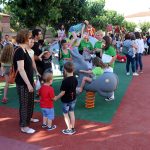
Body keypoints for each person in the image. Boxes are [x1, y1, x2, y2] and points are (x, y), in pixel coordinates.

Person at [13, 29, 35, 134]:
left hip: (28, 82)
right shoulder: (19, 50)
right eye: (29, 37)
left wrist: (31, 81)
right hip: (22, 83)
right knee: (24, 104)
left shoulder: (24, 50)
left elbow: (28, 68)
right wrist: (28, 84)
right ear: (25, 38)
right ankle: (24, 126)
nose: (31, 39)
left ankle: (28, 120)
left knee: (29, 103)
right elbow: (21, 69)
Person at [53, 62, 78, 135]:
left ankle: (69, 129)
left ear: (65, 70)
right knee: (72, 112)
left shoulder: (65, 81)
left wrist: (56, 97)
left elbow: (63, 92)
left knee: (66, 115)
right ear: (73, 70)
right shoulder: (75, 79)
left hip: (66, 101)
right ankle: (72, 127)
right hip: (73, 98)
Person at [101, 35, 117, 101]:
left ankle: (111, 96)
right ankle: (108, 94)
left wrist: (108, 64)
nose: (102, 41)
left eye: (103, 40)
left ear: (106, 41)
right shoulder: (105, 47)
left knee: (110, 81)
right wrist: (101, 49)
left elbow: (115, 57)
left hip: (109, 67)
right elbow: (101, 56)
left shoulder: (110, 48)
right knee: (106, 81)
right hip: (104, 67)